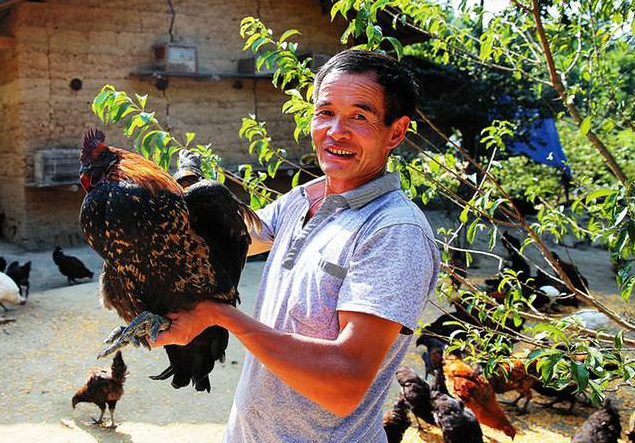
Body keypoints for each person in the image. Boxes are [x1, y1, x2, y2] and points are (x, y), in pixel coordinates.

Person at [154, 49, 440, 443]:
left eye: (359, 117)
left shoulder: (394, 232)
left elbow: (344, 384)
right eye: (326, 112)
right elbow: (224, 241)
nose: (336, 131)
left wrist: (221, 315)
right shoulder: (302, 199)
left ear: (396, 132)